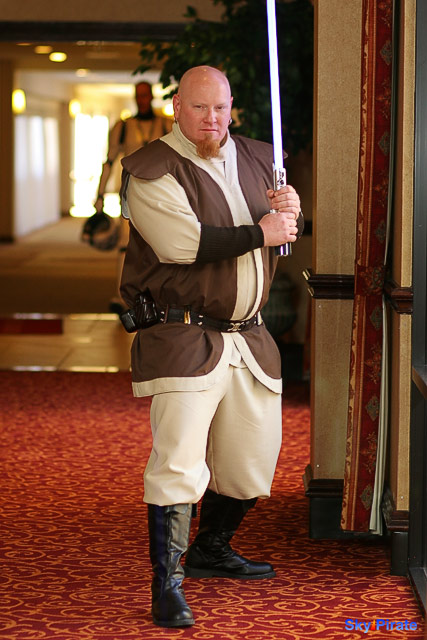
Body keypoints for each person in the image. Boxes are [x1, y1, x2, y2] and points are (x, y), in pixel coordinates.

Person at [119, 66, 303, 628]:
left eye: (220, 108)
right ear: (178, 107)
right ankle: (167, 585)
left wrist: (290, 211)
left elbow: (280, 231)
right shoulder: (151, 168)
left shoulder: (259, 158)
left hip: (249, 336)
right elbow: (183, 244)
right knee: (178, 462)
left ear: (231, 107)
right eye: (199, 108)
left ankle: (211, 548)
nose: (211, 119)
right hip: (183, 334)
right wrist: (262, 232)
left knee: (251, 461)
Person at [93, 81, 170, 312]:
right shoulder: (123, 127)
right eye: (138, 95)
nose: (142, 100)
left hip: (159, 193)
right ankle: (121, 296)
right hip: (130, 193)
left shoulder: (166, 125)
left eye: (145, 95)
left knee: (158, 244)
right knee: (125, 243)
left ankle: (156, 295)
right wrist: (99, 194)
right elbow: (109, 160)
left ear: (151, 97)